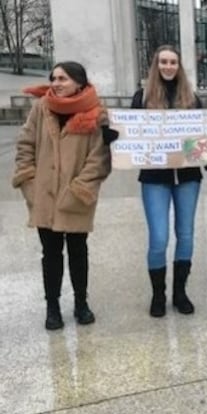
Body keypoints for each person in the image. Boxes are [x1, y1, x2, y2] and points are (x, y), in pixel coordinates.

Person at [13, 61, 115, 330]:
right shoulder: (41, 108)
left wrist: (81, 187)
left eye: (63, 78)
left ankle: (81, 303)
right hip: (44, 195)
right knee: (51, 253)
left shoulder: (96, 113)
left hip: (76, 195)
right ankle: (53, 306)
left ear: (79, 83)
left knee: (78, 251)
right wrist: (30, 184)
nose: (56, 83)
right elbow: (25, 145)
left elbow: (100, 157)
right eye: (54, 78)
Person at [131, 44, 202, 317]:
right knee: (158, 237)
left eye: (173, 62)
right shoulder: (142, 97)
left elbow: (205, 137)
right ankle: (158, 293)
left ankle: (180, 291)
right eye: (164, 62)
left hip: (187, 177)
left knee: (185, 234)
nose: (168, 66)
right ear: (156, 65)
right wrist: (114, 138)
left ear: (179, 66)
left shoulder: (192, 99)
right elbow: (130, 135)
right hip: (154, 177)